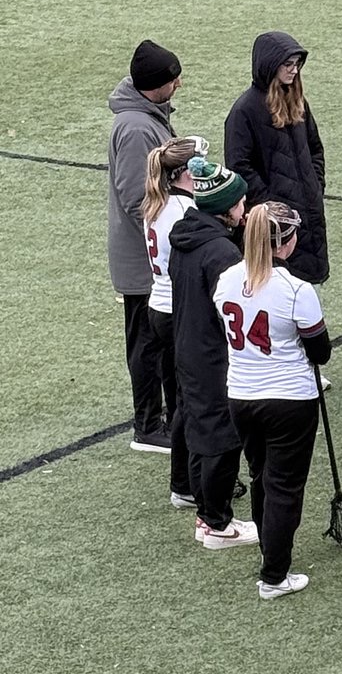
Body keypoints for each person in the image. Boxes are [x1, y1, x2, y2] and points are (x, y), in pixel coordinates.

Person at [214, 202, 331, 599]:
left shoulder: (226, 280)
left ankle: (271, 552)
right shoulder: (298, 290)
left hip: (241, 396)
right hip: (289, 399)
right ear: (288, 242)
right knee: (284, 486)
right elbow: (320, 351)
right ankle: (274, 575)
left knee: (261, 476)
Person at [169, 157, 257, 549]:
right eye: (240, 203)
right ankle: (216, 522)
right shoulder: (221, 253)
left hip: (186, 346)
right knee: (221, 437)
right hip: (214, 354)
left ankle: (206, 513)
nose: (245, 209)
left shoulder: (186, 237)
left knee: (196, 428)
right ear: (226, 207)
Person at [108, 39, 182, 454]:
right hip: (144, 261)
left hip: (147, 256)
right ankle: (148, 425)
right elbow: (138, 198)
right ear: (155, 86)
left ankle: (157, 419)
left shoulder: (145, 117)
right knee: (146, 343)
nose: (179, 85)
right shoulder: (137, 128)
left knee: (153, 342)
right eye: (173, 79)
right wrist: (169, 239)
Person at [225, 31, 328, 284]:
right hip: (273, 228)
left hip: (306, 218)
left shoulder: (298, 101)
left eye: (297, 65)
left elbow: (315, 149)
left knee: (303, 293)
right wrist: (272, 206)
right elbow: (240, 168)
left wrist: (315, 186)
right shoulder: (244, 111)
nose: (294, 71)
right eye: (288, 64)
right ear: (270, 65)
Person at [142, 135, 204, 507]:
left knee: (179, 396)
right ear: (184, 173)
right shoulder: (183, 211)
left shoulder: (156, 204)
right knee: (189, 401)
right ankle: (185, 483)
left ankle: (187, 478)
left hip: (158, 307)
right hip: (178, 311)